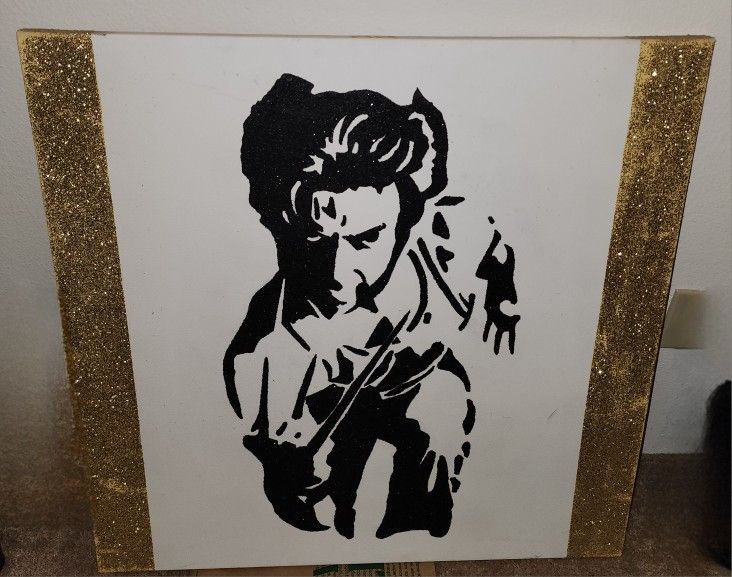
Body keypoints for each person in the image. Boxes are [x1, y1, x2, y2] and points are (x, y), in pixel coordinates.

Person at [223, 74, 514, 538]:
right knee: (330, 507)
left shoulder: (448, 238)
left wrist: (502, 302)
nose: (339, 272)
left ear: (406, 223)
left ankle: (419, 534)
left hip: (415, 373)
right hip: (324, 396)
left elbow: (494, 247)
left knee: (442, 409)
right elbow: (279, 460)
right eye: (316, 238)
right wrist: (284, 471)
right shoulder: (267, 354)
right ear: (281, 222)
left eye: (365, 240)